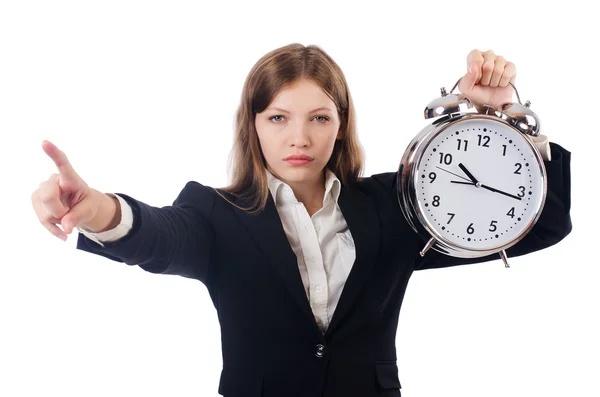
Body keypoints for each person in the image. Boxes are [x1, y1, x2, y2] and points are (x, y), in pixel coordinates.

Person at [31, 43, 572, 397]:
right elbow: (159, 237)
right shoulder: (215, 213)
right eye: (278, 118)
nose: (299, 138)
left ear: (340, 124)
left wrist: (498, 120)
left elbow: (541, 225)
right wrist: (95, 209)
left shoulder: (399, 203)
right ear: (255, 126)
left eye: (319, 117)